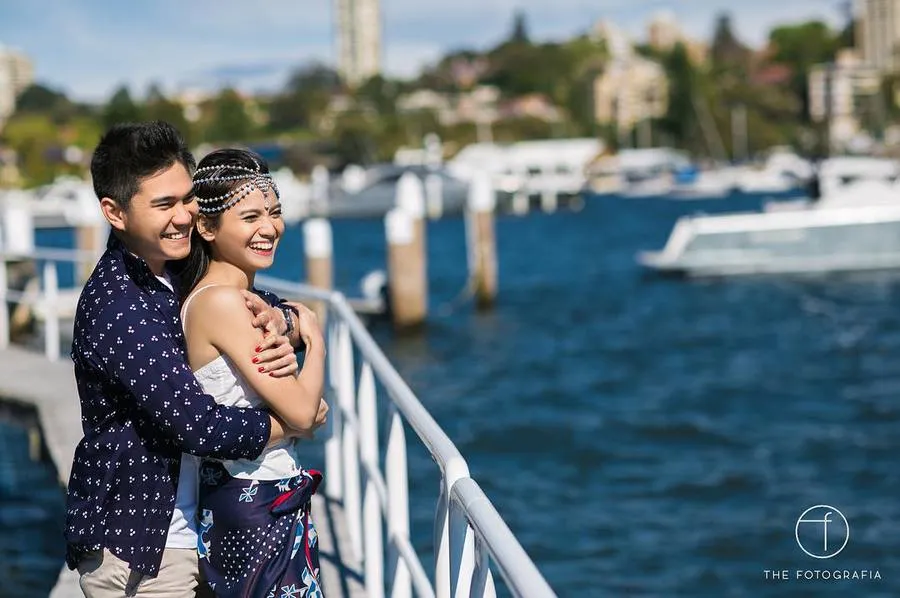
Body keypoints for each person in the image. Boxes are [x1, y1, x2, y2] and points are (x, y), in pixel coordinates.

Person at [65, 121, 318, 598]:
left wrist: (283, 321)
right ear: (113, 212)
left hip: (197, 525)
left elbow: (244, 299)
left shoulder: (173, 268)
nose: (183, 217)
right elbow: (197, 426)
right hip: (142, 546)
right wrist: (293, 423)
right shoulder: (118, 308)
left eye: (187, 199)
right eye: (164, 205)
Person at [179, 148, 326, 597]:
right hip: (256, 501)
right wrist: (316, 340)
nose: (269, 228)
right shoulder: (223, 302)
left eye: (275, 213)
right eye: (250, 217)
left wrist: (287, 321)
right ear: (206, 227)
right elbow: (303, 413)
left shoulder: (233, 296)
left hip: (251, 495)